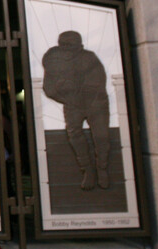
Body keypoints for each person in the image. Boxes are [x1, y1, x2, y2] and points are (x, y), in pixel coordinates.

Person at [41, 30, 110, 190]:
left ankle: (103, 169)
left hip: (96, 104)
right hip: (72, 104)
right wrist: (65, 95)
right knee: (74, 135)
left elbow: (98, 82)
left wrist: (75, 89)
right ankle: (87, 170)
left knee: (101, 137)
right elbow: (49, 88)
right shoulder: (54, 61)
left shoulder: (89, 58)